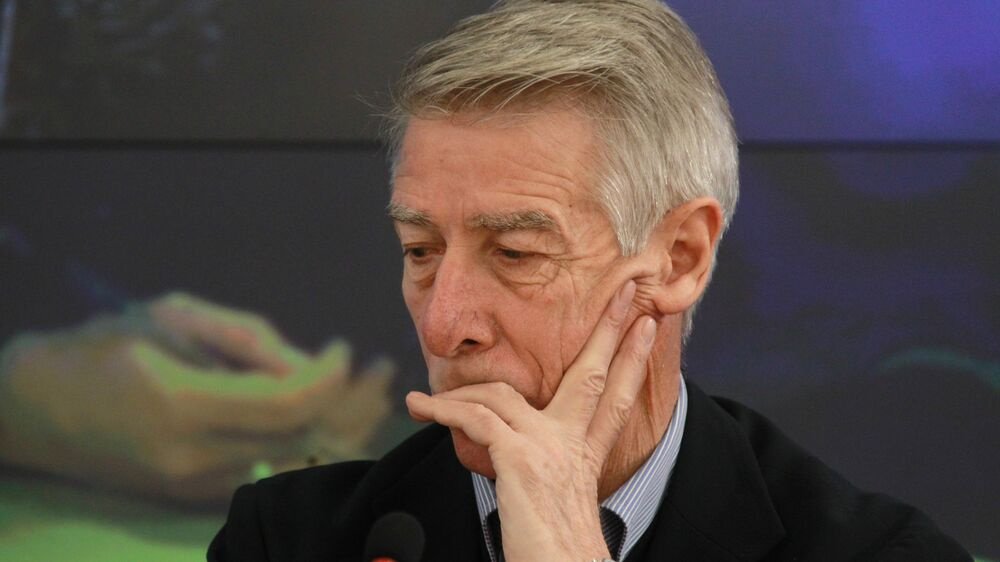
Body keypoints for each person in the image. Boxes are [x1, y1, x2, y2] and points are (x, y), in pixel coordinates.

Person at [208, 0, 971, 560]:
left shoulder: (881, 555)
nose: (444, 324)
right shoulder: (287, 541)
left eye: (516, 254)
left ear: (680, 258)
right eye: (420, 251)